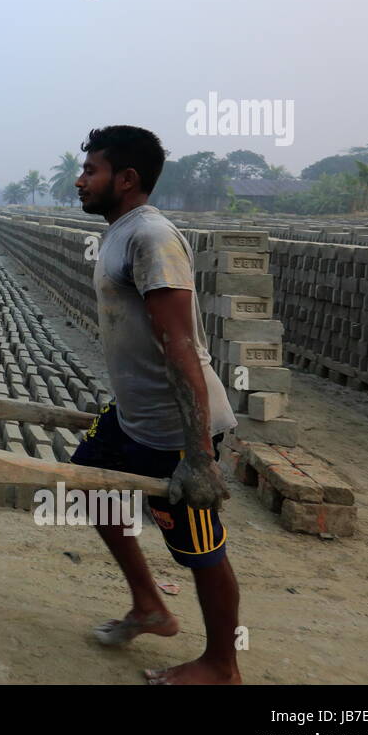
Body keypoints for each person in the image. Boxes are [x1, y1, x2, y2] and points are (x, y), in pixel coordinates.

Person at [71, 125, 242, 685]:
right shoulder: (121, 235)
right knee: (89, 485)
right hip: (133, 420)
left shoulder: (152, 238)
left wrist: (197, 456)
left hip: (174, 431)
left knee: (199, 547)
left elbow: (181, 347)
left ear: (126, 179)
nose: (80, 180)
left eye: (91, 170)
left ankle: (221, 665)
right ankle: (150, 606)